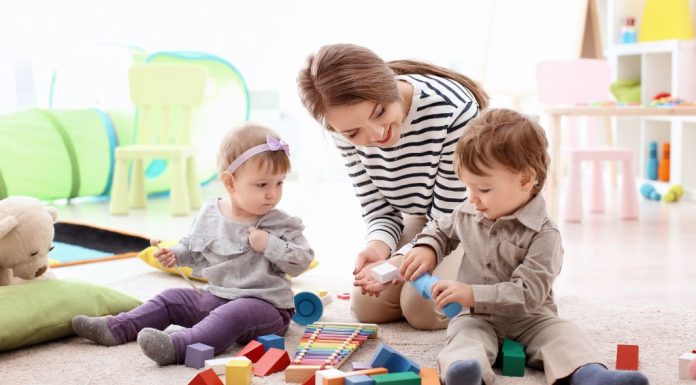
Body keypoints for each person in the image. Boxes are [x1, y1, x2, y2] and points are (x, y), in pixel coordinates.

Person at [399, 109, 649, 385]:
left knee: (564, 334)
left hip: (532, 318)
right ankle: (465, 373)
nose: (472, 198)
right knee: (464, 336)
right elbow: (441, 228)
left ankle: (591, 375)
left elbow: (529, 294)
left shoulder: (545, 234)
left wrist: (471, 293)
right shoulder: (469, 211)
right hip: (477, 317)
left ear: (525, 180)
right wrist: (428, 248)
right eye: (468, 187)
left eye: (483, 189)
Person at [71, 124, 314, 366]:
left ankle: (179, 346)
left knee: (232, 314)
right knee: (171, 298)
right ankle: (116, 328)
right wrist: (176, 254)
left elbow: (301, 260)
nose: (273, 194)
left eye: (279, 183)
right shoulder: (211, 213)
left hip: (266, 307)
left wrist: (269, 244)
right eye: (262, 185)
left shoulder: (279, 222)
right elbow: (193, 247)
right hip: (217, 296)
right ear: (229, 183)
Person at [297, 43, 488, 330]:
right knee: (368, 305)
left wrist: (399, 261)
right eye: (353, 132)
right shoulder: (342, 130)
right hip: (425, 217)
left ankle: (494, 280)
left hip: (469, 218)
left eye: (379, 112)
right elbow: (379, 210)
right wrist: (378, 247)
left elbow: (450, 216)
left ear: (390, 87)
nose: (376, 134)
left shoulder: (452, 110)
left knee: (424, 308)